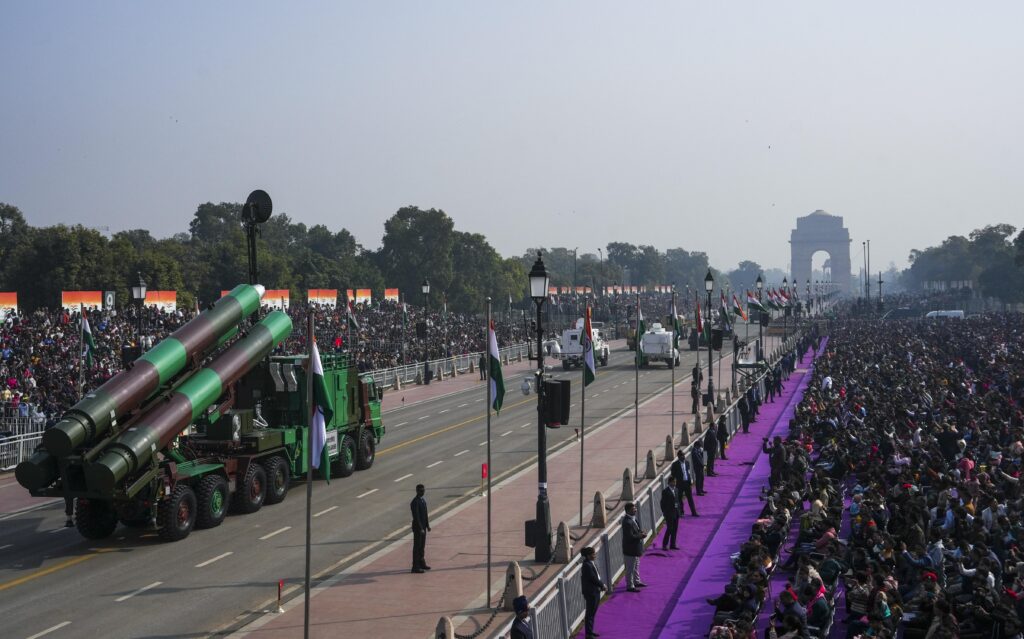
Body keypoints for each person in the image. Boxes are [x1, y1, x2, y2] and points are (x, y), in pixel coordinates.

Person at [580, 546, 606, 638]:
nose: (595, 555)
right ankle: (588, 633)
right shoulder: (587, 565)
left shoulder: (590, 563)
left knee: (592, 612)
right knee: (590, 613)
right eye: (593, 554)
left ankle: (590, 631)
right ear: (588, 555)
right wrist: (602, 585)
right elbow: (593, 578)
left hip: (595, 590)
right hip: (591, 592)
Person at [621, 502, 646, 592]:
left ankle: (636, 581)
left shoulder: (633, 519)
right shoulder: (627, 522)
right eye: (633, 509)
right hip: (630, 549)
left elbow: (637, 530)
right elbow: (630, 536)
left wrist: (641, 532)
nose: (635, 510)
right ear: (628, 510)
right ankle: (630, 586)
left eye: (635, 508)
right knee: (630, 568)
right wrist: (640, 536)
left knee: (636, 566)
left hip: (635, 548)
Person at [410, 484, 431, 573]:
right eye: (421, 491)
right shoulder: (415, 502)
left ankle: (422, 563)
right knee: (417, 547)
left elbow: (425, 515)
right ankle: (415, 566)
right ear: (417, 491)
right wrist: (421, 528)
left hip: (423, 528)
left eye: (423, 490)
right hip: (418, 529)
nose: (423, 492)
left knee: (422, 546)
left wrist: (427, 525)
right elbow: (416, 517)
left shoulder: (423, 500)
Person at [672, 448, 700, 514]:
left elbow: (688, 472)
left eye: (683, 455)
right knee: (679, 499)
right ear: (678, 457)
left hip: (687, 483)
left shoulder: (687, 463)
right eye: (681, 455)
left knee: (690, 498)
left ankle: (694, 512)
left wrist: (690, 481)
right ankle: (681, 512)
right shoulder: (675, 464)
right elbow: (673, 474)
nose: (683, 456)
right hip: (680, 484)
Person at [660, 476, 680, 549]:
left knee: (675, 529)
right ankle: (664, 545)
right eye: (674, 482)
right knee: (669, 529)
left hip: (676, 513)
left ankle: (673, 544)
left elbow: (678, 501)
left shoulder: (676, 490)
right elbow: (662, 503)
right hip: (669, 513)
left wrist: (679, 511)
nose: (675, 483)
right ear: (670, 482)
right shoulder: (665, 491)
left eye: (675, 481)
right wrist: (665, 513)